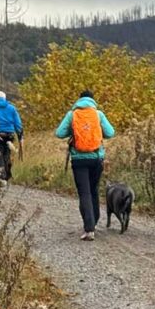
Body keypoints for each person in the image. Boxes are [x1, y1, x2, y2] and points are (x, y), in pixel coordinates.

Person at [55, 90, 116, 241]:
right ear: (93, 100)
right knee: (93, 190)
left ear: (79, 100)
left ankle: (89, 229)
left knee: (84, 193)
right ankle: (94, 221)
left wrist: (73, 131)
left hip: (79, 159)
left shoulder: (72, 115)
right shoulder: (98, 114)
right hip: (96, 158)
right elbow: (110, 132)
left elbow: (59, 133)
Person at [0, 91, 24, 181]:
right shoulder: (12, 108)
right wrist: (20, 135)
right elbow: (18, 124)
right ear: (5, 99)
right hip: (10, 135)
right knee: (7, 153)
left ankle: (1, 174)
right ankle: (7, 173)